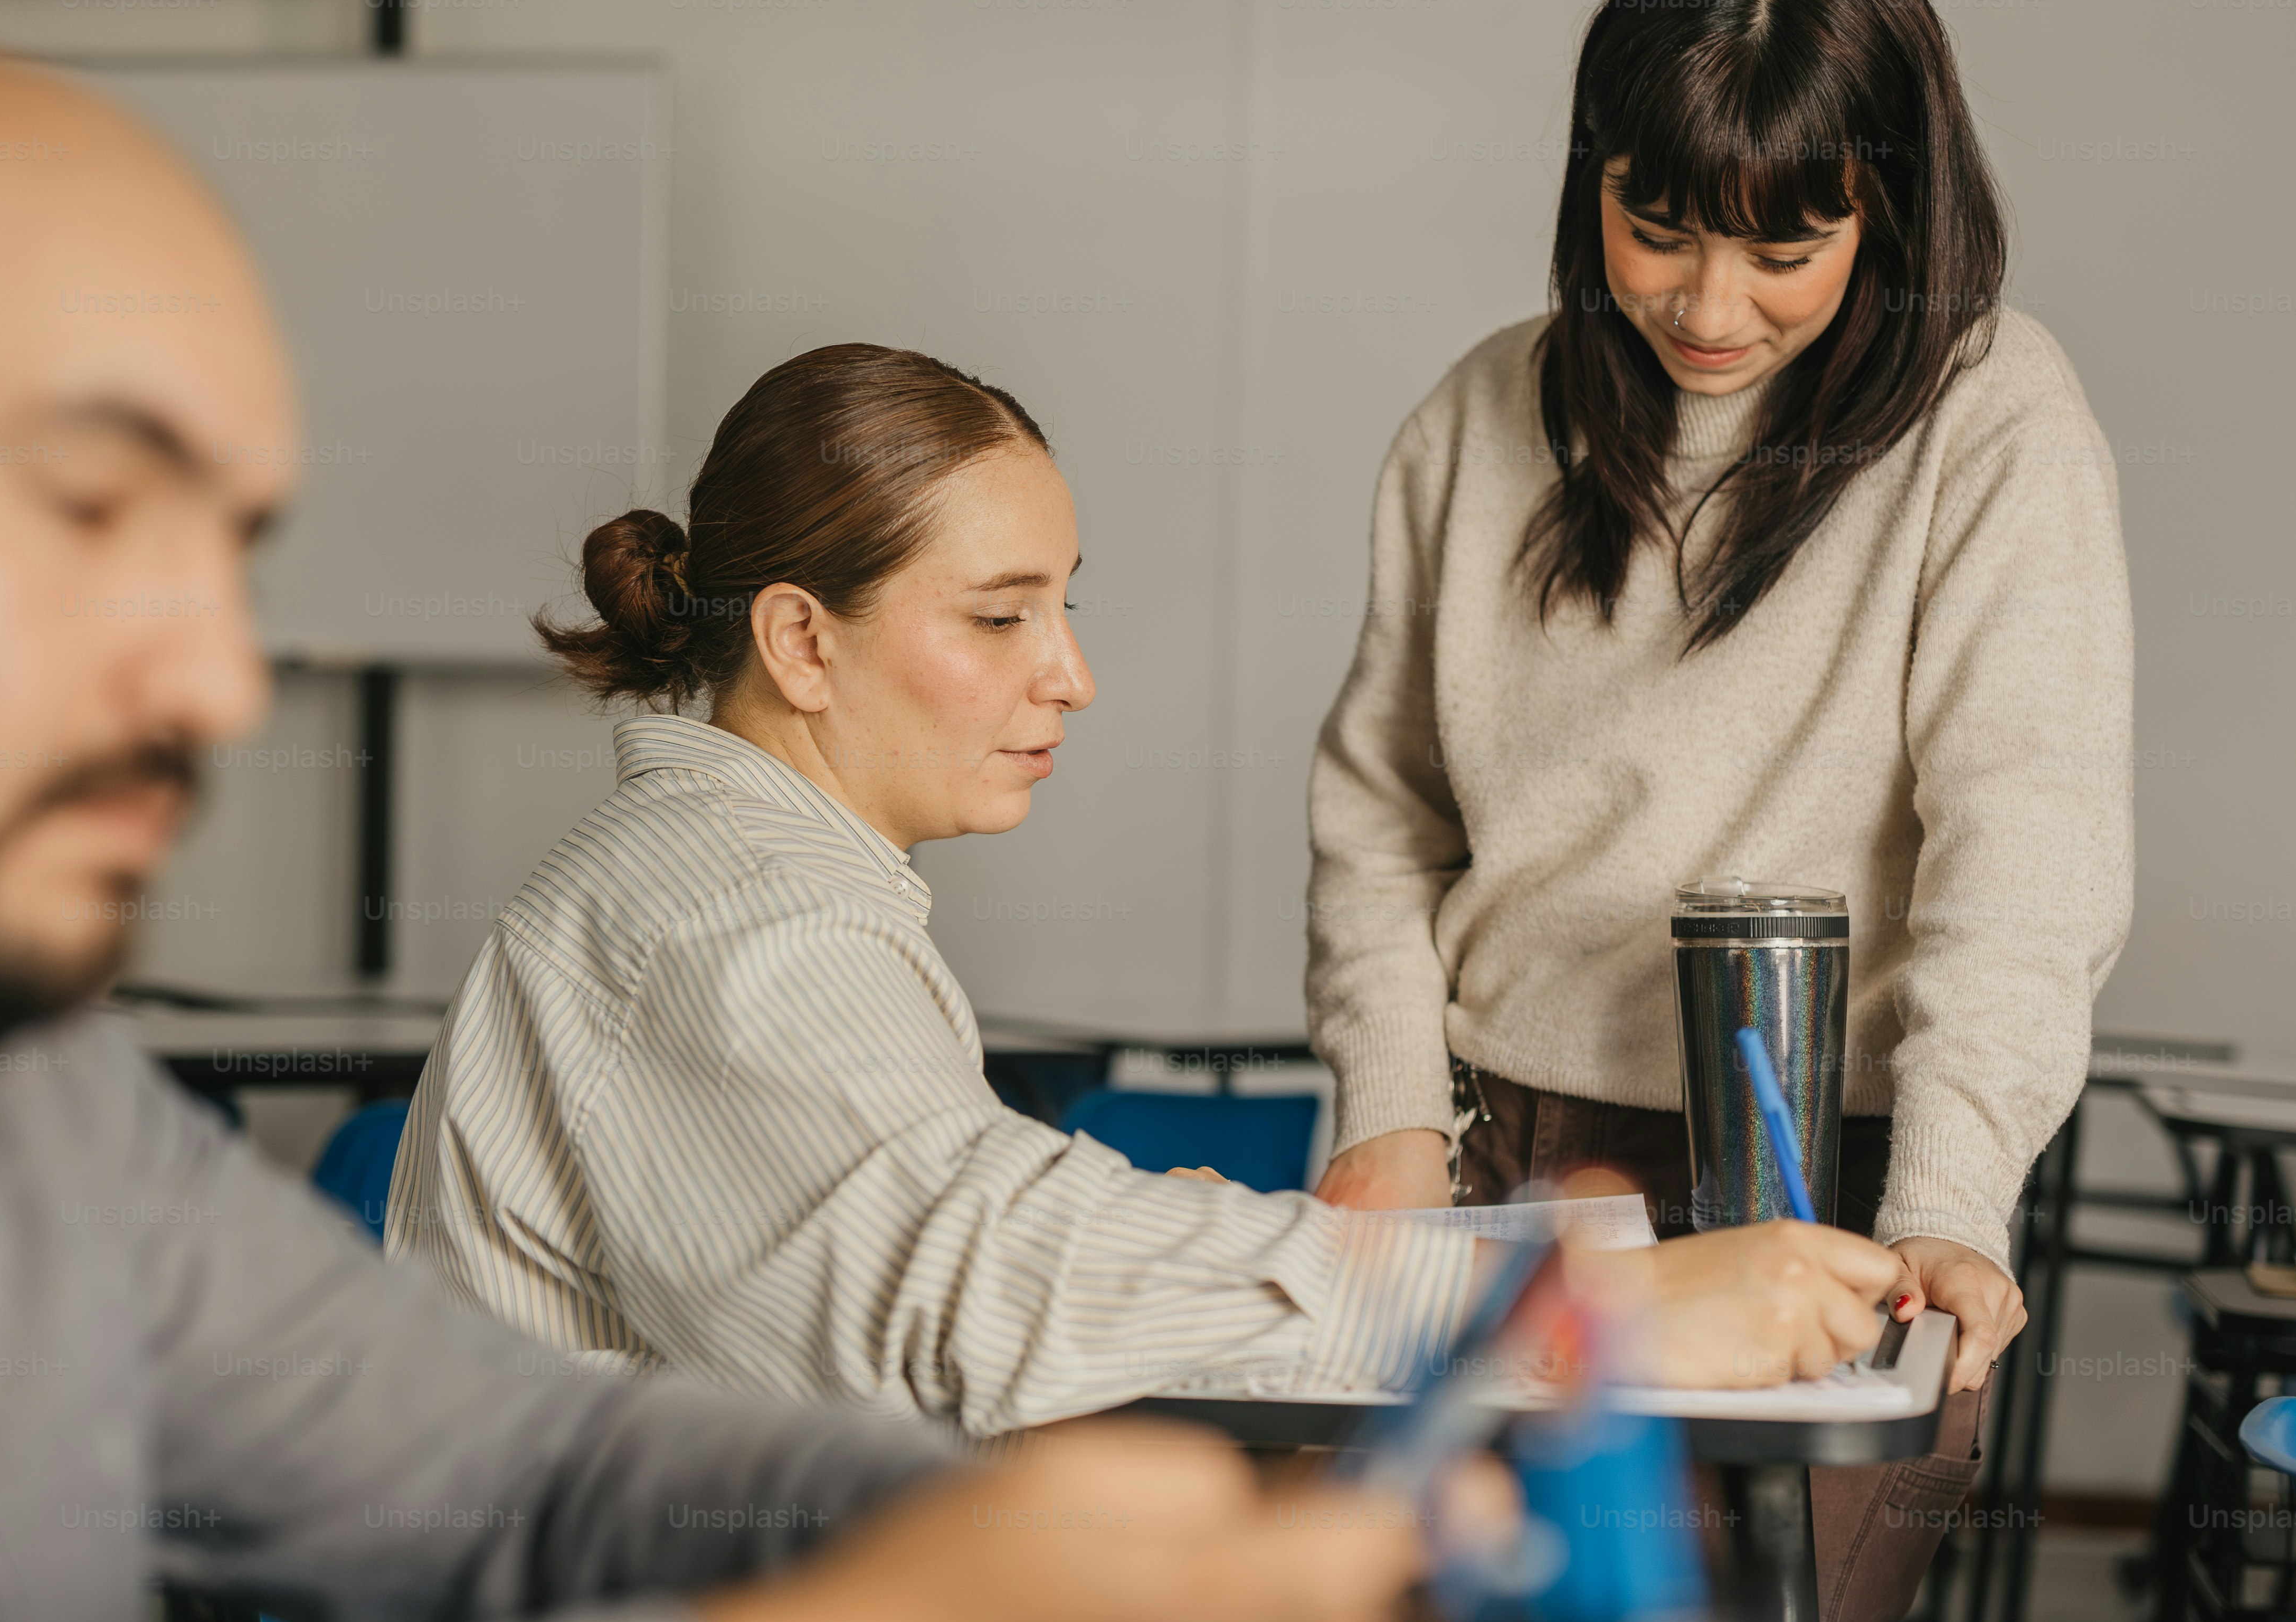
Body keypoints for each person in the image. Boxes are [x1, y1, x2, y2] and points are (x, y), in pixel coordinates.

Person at [0, 32, 1430, 1622]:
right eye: (90, 505)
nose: (214, 679)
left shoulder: (5, 1098)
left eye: (233, 554)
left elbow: (507, 1474)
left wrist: (1052, 1561)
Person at [390, 342, 1903, 1439]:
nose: (1073, 676)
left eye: (1064, 605)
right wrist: (1588, 1311)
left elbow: (927, 1236)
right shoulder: (728, 927)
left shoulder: (722, 881)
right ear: (799, 644)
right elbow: (969, 1294)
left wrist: (1115, 1228)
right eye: (999, 618)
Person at [1302, 0, 2134, 1622]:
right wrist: (1388, 1112)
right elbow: (1382, 817)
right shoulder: (1478, 420)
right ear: (1587, 180)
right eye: (1655, 229)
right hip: (1510, 1163)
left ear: (1887, 205)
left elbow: (2026, 851)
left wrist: (1950, 1205)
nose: (1706, 305)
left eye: (1786, 248)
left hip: (1835, 1176)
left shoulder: (1994, 420)